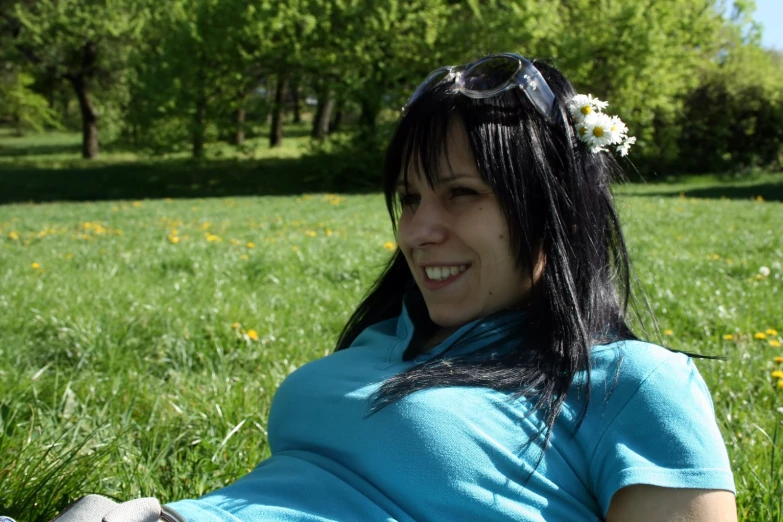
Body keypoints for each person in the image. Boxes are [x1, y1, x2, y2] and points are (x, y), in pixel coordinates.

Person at [50, 53, 737, 522]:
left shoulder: (630, 384)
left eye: (460, 194)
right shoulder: (388, 338)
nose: (418, 231)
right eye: (409, 199)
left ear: (553, 208)